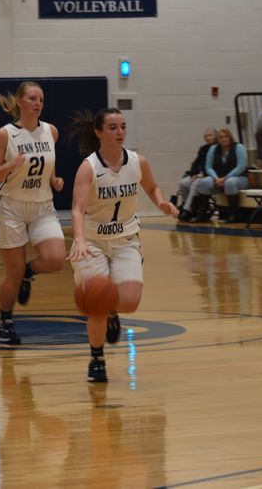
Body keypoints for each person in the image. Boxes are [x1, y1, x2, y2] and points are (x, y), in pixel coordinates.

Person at [68, 107, 178, 382]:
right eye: (114, 127)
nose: (120, 132)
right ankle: (97, 358)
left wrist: (161, 202)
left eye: (123, 127)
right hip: (92, 242)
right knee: (96, 305)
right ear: (99, 132)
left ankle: (113, 312)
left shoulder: (137, 162)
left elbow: (152, 187)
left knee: (130, 302)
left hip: (126, 239)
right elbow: (77, 209)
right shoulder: (88, 167)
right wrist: (79, 240)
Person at [0, 81, 66, 345]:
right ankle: (3, 321)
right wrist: (11, 164)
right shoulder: (5, 134)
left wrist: (53, 179)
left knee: (56, 260)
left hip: (42, 205)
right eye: (32, 98)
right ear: (20, 101)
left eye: (41, 99)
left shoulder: (50, 131)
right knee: (13, 272)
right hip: (11, 207)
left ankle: (30, 274)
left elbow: (48, 161)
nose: (38, 103)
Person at [194, 128, 249, 223]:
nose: (223, 139)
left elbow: (241, 167)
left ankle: (233, 214)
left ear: (230, 137)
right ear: (217, 139)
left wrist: (225, 178)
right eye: (221, 137)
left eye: (225, 136)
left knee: (230, 183)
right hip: (218, 178)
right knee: (204, 182)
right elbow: (208, 167)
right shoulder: (213, 149)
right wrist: (216, 178)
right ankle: (202, 214)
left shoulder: (239, 147)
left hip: (240, 178)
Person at [176, 128, 216, 221]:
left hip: (209, 176)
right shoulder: (203, 149)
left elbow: (214, 166)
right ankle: (189, 205)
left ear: (215, 136)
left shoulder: (217, 149)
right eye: (206, 136)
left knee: (195, 183)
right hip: (199, 174)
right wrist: (193, 173)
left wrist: (203, 175)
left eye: (210, 135)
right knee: (183, 183)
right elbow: (195, 163)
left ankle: (187, 209)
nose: (208, 137)